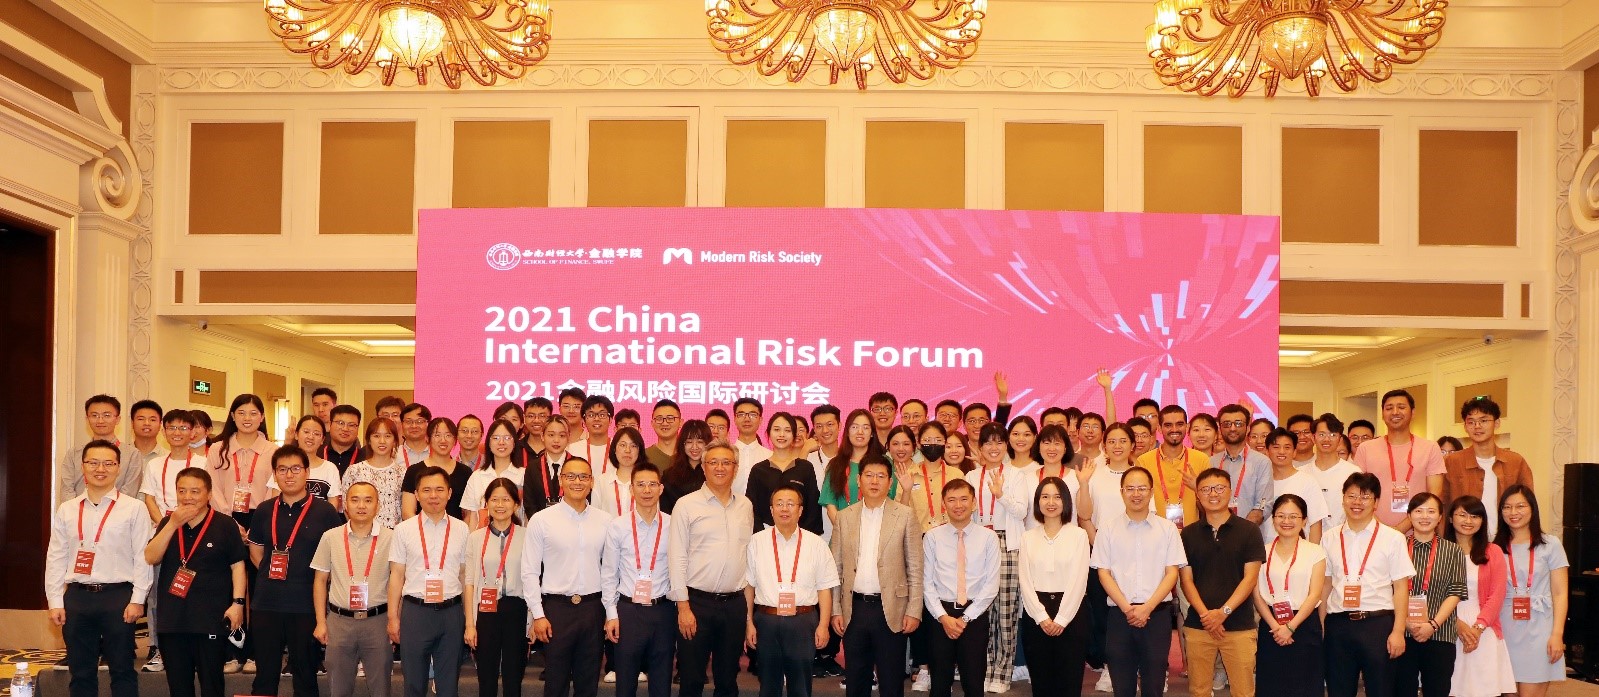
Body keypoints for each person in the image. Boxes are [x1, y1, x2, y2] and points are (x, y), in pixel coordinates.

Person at [46, 440, 154, 697]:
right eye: (93, 463)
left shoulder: (134, 508)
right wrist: (55, 601)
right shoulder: (67, 509)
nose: (100, 469)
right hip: (77, 597)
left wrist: (138, 599)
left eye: (108, 463)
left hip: (118, 597)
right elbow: (56, 556)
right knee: (80, 672)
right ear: (83, 466)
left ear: (118, 467)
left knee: (122, 670)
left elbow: (142, 557)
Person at [248, 445, 345, 697]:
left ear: (307, 472)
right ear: (275, 474)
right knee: (264, 676)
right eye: (282, 469)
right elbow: (256, 553)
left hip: (305, 605)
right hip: (266, 603)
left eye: (295, 469)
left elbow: (334, 559)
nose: (289, 475)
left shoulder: (325, 512)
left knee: (305, 676)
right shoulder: (264, 510)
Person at [143, 467, 247, 697]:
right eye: (182, 491)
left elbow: (238, 566)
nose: (187, 496)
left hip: (210, 619)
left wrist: (238, 603)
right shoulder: (168, 523)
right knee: (179, 688)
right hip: (173, 621)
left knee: (212, 687)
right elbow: (151, 557)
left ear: (208, 494)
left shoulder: (225, 524)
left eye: (195, 491)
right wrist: (172, 524)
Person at [668, 441, 755, 697]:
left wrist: (748, 615)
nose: (720, 468)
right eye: (713, 462)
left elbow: (746, 558)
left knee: (728, 680)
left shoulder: (745, 506)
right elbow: (676, 557)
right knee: (692, 679)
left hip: (734, 604)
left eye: (726, 462)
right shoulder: (686, 505)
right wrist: (683, 607)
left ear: (735, 468)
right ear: (703, 467)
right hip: (696, 604)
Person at [1092, 466, 1188, 697]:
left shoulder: (1167, 529)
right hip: (1119, 614)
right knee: (1121, 684)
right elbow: (1103, 573)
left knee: (1154, 683)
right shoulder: (1107, 529)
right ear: (1122, 492)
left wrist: (1147, 608)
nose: (1136, 494)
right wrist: (1128, 609)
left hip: (1157, 614)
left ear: (1151, 492)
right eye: (1130, 489)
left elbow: (1172, 573)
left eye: (1142, 488)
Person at [831, 459, 923, 697]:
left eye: (881, 476)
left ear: (890, 482)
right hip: (854, 608)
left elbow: (915, 567)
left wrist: (914, 610)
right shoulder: (844, 517)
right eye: (869, 475)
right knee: (856, 681)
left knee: (891, 681)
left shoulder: (905, 515)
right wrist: (835, 609)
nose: (874, 481)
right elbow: (836, 568)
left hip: (891, 609)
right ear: (859, 480)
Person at [523, 456, 614, 697]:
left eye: (583, 476)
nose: (577, 481)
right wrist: (538, 614)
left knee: (588, 682)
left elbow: (610, 572)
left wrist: (610, 612)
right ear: (561, 480)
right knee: (555, 683)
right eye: (571, 476)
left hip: (593, 609)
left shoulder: (606, 521)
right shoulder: (542, 520)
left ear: (592, 482)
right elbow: (530, 572)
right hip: (556, 610)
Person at [1322, 472, 1416, 697]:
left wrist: (1398, 631)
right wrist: (1322, 626)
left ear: (1376, 502)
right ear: (1343, 499)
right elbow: (1325, 584)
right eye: (1352, 496)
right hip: (1338, 624)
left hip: (1378, 625)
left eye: (1365, 497)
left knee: (1381, 691)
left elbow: (1401, 588)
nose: (1357, 502)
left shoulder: (1392, 538)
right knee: (1338, 691)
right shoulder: (1329, 537)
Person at [742, 483, 839, 697]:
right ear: (771, 510)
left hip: (803, 620)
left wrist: (823, 625)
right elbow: (749, 586)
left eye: (790, 504)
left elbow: (825, 588)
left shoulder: (816, 544)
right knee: (768, 684)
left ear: (800, 510)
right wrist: (749, 623)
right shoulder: (756, 542)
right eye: (779, 504)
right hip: (766, 620)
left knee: (801, 685)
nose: (784, 509)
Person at [1179, 468, 1265, 697]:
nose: (1213, 494)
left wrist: (1223, 612)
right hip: (1199, 624)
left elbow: (1250, 578)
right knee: (1199, 690)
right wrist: (1207, 616)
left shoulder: (1249, 531)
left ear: (1230, 491)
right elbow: (1186, 580)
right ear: (1197, 495)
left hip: (1239, 624)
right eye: (1206, 489)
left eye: (1219, 488)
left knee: (1243, 691)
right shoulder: (1188, 534)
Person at [388, 466, 470, 697]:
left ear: (450, 493)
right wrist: (393, 617)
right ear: (416, 494)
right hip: (416, 613)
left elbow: (465, 576)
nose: (433, 495)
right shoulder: (403, 530)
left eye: (439, 489)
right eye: (426, 490)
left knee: (448, 685)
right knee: (413, 683)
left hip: (451, 613)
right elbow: (396, 575)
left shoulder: (462, 529)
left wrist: (468, 618)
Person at [310, 481, 396, 697]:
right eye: (355, 500)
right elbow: (320, 581)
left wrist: (395, 619)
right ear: (345, 505)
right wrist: (321, 621)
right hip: (339, 622)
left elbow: (398, 581)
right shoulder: (330, 537)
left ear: (378, 505)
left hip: (378, 622)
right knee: (338, 690)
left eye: (368, 500)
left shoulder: (392, 538)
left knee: (381, 690)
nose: (361, 506)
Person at [966, 422, 1029, 693]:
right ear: (980, 447)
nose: (994, 447)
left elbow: (1022, 512)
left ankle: (1003, 672)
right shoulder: (971, 476)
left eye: (999, 442)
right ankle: (985, 668)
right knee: (982, 610)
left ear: (1006, 446)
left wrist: (1000, 495)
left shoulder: (1016, 475)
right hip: (978, 543)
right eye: (988, 442)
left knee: (1005, 611)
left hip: (1007, 543)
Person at [601, 463, 674, 697]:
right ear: (631, 489)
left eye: (652, 484)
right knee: (625, 683)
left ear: (661, 488)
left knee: (661, 682)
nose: (647, 490)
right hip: (628, 611)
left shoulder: (673, 525)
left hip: (663, 610)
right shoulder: (618, 526)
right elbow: (609, 574)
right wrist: (611, 614)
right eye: (640, 484)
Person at [922, 479, 1000, 697]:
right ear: (943, 504)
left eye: (964, 499)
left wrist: (965, 618)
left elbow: (991, 585)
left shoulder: (989, 537)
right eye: (952, 500)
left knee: (974, 681)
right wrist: (943, 617)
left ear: (974, 503)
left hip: (974, 614)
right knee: (939, 681)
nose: (958, 505)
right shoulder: (932, 537)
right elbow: (926, 583)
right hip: (940, 615)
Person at [1017, 477, 1091, 697]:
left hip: (1071, 611)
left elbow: (1079, 580)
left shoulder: (1078, 535)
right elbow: (1025, 581)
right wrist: (1041, 616)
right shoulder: (1028, 537)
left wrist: (1061, 619)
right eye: (1045, 497)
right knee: (1041, 680)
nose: (1051, 502)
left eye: (1057, 497)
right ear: (1037, 502)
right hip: (1036, 614)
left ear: (1066, 501)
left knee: (1069, 680)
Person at [1494, 484, 1568, 697]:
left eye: (1520, 506)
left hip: (1539, 626)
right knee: (1507, 692)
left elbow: (1560, 593)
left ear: (1532, 509)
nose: (1513, 512)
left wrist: (1557, 634)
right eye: (1507, 507)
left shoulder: (1550, 544)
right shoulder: (1494, 547)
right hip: (1504, 627)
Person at [1251, 494, 1328, 697]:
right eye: (1281, 516)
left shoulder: (1315, 552)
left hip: (1304, 624)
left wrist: (1290, 627)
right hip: (1271, 626)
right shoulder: (1261, 551)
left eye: (1293, 516)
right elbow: (1257, 595)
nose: (1286, 521)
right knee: (1271, 685)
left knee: (1305, 685)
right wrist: (1276, 627)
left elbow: (1315, 594)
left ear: (1304, 521)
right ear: (1273, 519)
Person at [1394, 493, 1467, 697]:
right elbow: (1386, 589)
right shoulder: (1396, 547)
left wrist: (1432, 625)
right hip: (1401, 633)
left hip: (1440, 633)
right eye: (1419, 511)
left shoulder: (1453, 550)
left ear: (1440, 517)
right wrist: (1405, 622)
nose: (1425, 516)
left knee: (1437, 691)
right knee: (1401, 691)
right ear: (1409, 516)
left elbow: (1456, 592)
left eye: (1431, 511)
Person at [1442, 495, 1515, 697]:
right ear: (1450, 518)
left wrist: (1477, 628)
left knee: (1483, 689)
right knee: (1450, 687)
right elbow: (1432, 594)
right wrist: (1456, 624)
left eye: (1475, 516)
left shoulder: (1493, 551)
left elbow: (1497, 594)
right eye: (1462, 515)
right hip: (1446, 624)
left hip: (1484, 626)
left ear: (1482, 521)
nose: (1468, 521)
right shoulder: (1440, 550)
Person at [467, 479, 529, 697]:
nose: (500, 505)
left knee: (514, 677)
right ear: (487, 503)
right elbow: (469, 582)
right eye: (494, 499)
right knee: (486, 677)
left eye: (506, 499)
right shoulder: (475, 538)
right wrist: (470, 624)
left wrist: (532, 619)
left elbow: (533, 580)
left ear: (516, 504)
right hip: (486, 610)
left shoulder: (527, 536)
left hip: (517, 609)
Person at [1354, 389, 1445, 533]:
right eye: (1389, 408)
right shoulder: (1365, 448)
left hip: (1418, 533)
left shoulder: (1430, 448)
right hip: (1373, 532)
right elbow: (1358, 492)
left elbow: (1434, 494)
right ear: (1383, 414)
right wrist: (1383, 530)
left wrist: (1401, 528)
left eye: (1401, 407)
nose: (1395, 412)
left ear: (1413, 412)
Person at [1442, 398, 1533, 538]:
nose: (1477, 426)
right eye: (1471, 422)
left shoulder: (1515, 462)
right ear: (1465, 427)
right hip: (1465, 541)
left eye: (1483, 421)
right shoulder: (1452, 462)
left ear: (1497, 423)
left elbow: (1528, 505)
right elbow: (1443, 506)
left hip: (1506, 540)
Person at [745, 413, 824, 535]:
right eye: (777, 430)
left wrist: (803, 537)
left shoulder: (805, 467)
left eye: (787, 430)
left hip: (801, 537)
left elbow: (813, 508)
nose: (781, 434)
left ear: (794, 435)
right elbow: (751, 509)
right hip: (766, 536)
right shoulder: (758, 470)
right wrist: (762, 537)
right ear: (768, 433)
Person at [207, 394, 278, 528]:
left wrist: (260, 522)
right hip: (224, 519)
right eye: (241, 413)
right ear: (233, 416)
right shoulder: (217, 449)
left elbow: (274, 489)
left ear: (262, 417)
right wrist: (228, 521)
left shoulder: (273, 451)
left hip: (262, 519)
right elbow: (213, 488)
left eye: (253, 413)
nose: (247, 418)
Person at [58, 396, 144, 504]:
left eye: (106, 415)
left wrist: (104, 511)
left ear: (117, 419)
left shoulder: (132, 454)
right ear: (87, 419)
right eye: (94, 415)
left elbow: (129, 492)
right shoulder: (74, 453)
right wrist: (80, 509)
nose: (100, 420)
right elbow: (66, 491)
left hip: (118, 512)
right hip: (78, 512)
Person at [821, 409, 895, 525]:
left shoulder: (885, 463)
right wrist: (846, 531)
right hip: (844, 531)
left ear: (872, 433)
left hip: (877, 530)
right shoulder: (835, 464)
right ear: (847, 432)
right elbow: (831, 507)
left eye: (865, 427)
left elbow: (890, 500)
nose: (860, 432)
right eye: (854, 427)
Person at [1138, 405, 1206, 529]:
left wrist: (1198, 489)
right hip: (1154, 533)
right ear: (1159, 428)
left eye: (1179, 424)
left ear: (1187, 427)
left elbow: (1209, 508)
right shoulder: (1144, 461)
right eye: (1168, 425)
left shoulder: (1201, 459)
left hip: (1192, 534)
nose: (1174, 429)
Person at [1263, 428, 1329, 543]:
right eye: (1276, 447)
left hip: (1298, 549)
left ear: (1294, 452)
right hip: (1265, 548)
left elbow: (1315, 523)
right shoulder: (1262, 482)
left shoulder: (1307, 481)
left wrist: (1313, 551)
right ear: (1267, 451)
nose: (1281, 452)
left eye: (1287, 447)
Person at [1210, 404, 1272, 525]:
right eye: (1227, 424)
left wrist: (1240, 532)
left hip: (1248, 534)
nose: (1232, 428)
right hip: (1215, 533)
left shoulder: (1262, 462)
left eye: (1238, 423)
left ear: (1248, 428)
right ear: (1220, 429)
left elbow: (1262, 506)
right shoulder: (1211, 462)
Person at [342, 417, 407, 529]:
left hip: (393, 534)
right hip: (362, 533)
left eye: (387, 436)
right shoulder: (354, 471)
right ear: (369, 440)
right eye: (376, 436)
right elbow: (346, 507)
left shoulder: (403, 473)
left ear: (395, 441)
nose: (382, 441)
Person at [462, 419, 528, 528]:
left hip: (517, 536)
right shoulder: (477, 476)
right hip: (483, 537)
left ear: (514, 443)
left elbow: (527, 516)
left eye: (507, 438)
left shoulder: (524, 475)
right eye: (496, 438)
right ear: (489, 443)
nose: (501, 442)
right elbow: (471, 517)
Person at [270, 416, 345, 510]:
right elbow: (275, 500)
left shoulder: (330, 468)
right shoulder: (284, 466)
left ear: (322, 440)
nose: (310, 437)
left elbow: (333, 507)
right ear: (296, 435)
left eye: (316, 434)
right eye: (306, 432)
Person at [403, 418, 472, 520]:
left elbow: (469, 514)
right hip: (420, 529)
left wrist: (461, 529)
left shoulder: (465, 472)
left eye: (448, 435)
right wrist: (423, 529)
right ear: (428, 438)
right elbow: (407, 512)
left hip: (456, 529)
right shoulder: (414, 471)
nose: (443, 440)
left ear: (455, 440)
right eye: (437, 435)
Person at [903, 422, 965, 531]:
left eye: (938, 440)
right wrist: (906, 491)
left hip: (951, 535)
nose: (933, 444)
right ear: (918, 444)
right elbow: (900, 513)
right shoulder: (908, 475)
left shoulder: (956, 475)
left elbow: (965, 509)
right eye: (927, 440)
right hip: (918, 537)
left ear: (945, 443)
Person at [1305, 414, 1362, 530]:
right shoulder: (1302, 473)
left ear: (1340, 439)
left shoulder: (1353, 472)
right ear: (1313, 438)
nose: (1327, 439)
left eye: (1332, 435)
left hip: (1342, 536)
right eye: (1321, 434)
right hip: (1308, 537)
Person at [144, 409, 202, 521]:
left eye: (183, 428)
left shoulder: (203, 463)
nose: (177, 433)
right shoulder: (154, 464)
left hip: (193, 523)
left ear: (192, 432)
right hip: (162, 524)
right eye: (171, 428)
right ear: (163, 432)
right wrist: (164, 525)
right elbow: (149, 499)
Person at [522, 417, 572, 517]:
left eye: (562, 435)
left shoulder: (578, 466)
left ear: (568, 437)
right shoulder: (532, 467)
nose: (556, 440)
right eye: (551, 435)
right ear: (542, 436)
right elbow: (529, 504)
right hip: (540, 524)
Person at [595, 427, 647, 518]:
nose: (627, 450)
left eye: (633, 446)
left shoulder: (647, 481)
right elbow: (594, 515)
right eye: (623, 445)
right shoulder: (601, 481)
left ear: (640, 451)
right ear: (614, 449)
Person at [661, 419, 710, 514]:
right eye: (689, 442)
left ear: (707, 444)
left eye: (700, 441)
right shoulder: (669, 475)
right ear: (682, 444)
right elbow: (665, 511)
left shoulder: (714, 472)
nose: (694, 447)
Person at [731, 398, 773, 494]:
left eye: (752, 415)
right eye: (741, 414)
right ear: (735, 419)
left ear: (760, 420)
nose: (747, 419)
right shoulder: (726, 454)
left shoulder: (770, 456)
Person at [570, 395, 615, 475]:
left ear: (610, 419)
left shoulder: (618, 448)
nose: (596, 419)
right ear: (583, 420)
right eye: (591, 415)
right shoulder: (572, 449)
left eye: (602, 415)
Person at [324, 405, 364, 476]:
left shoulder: (365, 459)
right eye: (341, 423)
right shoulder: (317, 454)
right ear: (330, 424)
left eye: (351, 425)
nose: (345, 429)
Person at [645, 400, 682, 470]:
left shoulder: (690, 454)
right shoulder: (643, 456)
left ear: (681, 422)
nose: (665, 423)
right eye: (659, 419)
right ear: (652, 423)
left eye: (670, 418)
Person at [399, 403, 433, 467]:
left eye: (419, 421)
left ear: (428, 424)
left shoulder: (437, 453)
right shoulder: (393, 455)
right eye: (408, 422)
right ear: (402, 425)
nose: (414, 426)